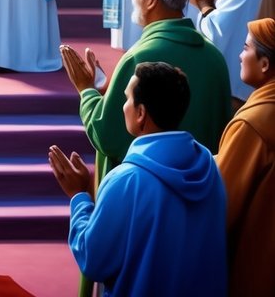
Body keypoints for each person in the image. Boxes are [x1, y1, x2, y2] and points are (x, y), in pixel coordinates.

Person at [49, 61, 227, 297]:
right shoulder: (210, 168)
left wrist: (80, 196)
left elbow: (94, 259)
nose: (123, 107)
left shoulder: (126, 180)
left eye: (127, 99)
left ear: (141, 113)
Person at [63, 0, 231, 186]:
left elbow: (106, 136)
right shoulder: (214, 57)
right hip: (201, 190)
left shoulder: (139, 58)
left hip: (144, 193)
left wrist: (87, 91)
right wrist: (109, 89)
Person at [216, 19, 275, 296]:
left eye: (245, 48)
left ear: (264, 64)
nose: (240, 55)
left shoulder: (252, 124)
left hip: (256, 258)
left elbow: (222, 204)